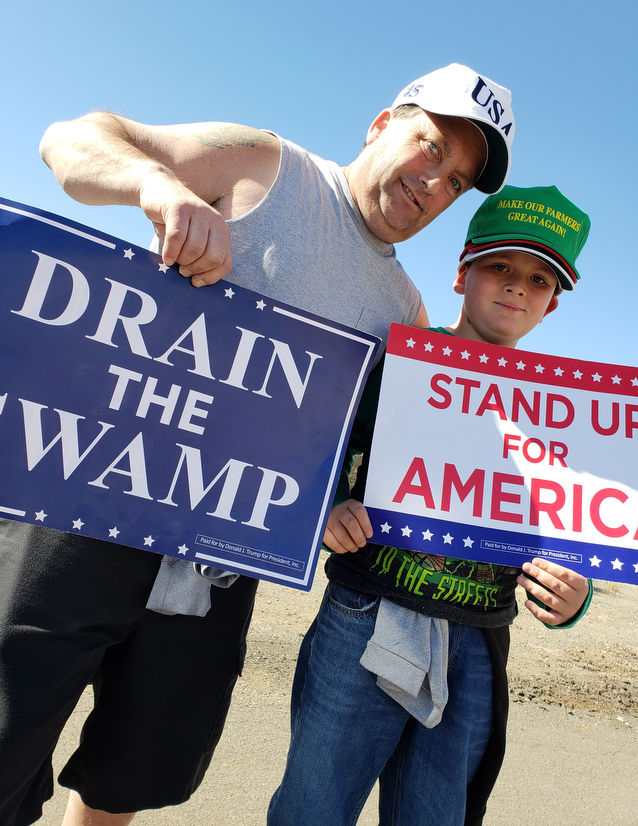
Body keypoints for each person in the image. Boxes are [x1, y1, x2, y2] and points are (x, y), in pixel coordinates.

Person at [0, 64, 515, 826]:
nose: (434, 182)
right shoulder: (265, 165)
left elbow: (351, 451)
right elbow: (70, 140)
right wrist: (160, 188)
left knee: (127, 778)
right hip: (85, 520)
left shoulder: (406, 312)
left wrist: (336, 504)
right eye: (430, 146)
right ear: (382, 124)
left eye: (458, 180)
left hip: (220, 571)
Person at [267, 185, 594, 826]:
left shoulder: (564, 414)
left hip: (478, 640)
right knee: (313, 807)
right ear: (462, 273)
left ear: (551, 305)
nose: (517, 288)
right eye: (500, 266)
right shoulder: (398, 361)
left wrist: (572, 600)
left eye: (538, 279)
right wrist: (328, 510)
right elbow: (319, 456)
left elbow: (572, 533)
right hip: (364, 613)